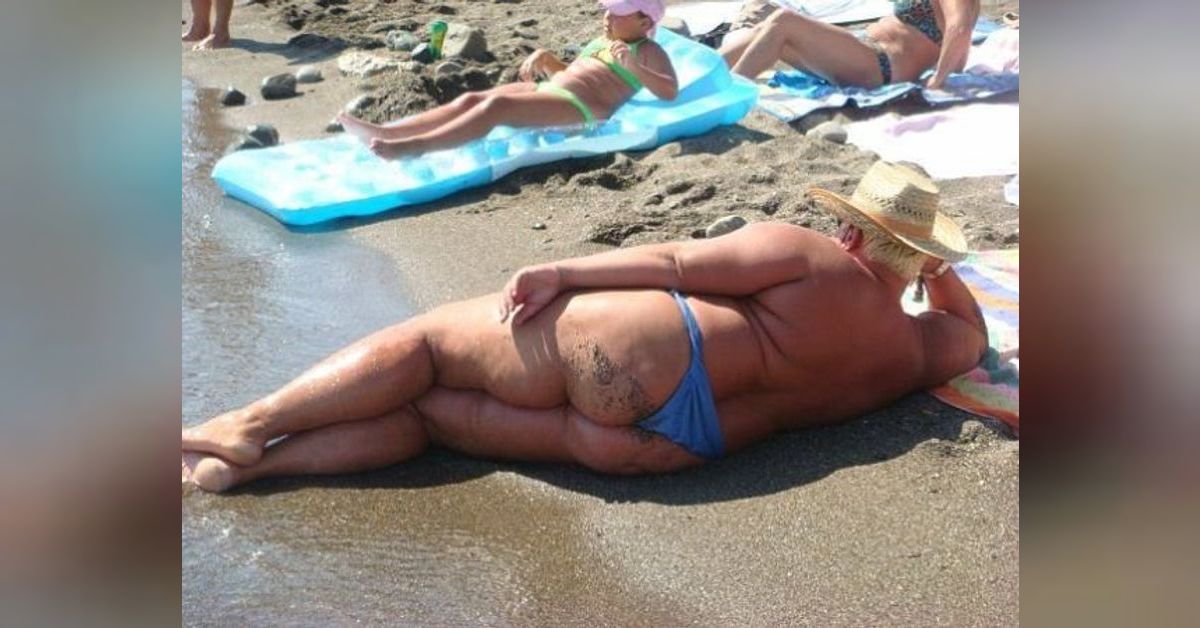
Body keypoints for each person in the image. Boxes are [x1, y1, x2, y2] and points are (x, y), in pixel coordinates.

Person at [182, 161, 987, 492]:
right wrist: (932, 271)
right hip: (665, 447)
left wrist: (564, 272)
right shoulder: (914, 350)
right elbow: (972, 330)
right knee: (426, 420)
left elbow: (677, 263)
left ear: (850, 228)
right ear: (921, 258)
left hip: (641, 352)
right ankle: (255, 472)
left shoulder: (809, 254)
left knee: (427, 348)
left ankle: (250, 427)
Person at [338, 0, 679, 160]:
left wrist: (635, 68)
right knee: (473, 99)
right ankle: (390, 132)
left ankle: (414, 147)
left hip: (582, 110)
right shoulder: (603, 41)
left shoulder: (648, 51)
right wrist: (548, 59)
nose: (607, 17)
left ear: (644, 22)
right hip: (553, 90)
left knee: (497, 107)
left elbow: (669, 90)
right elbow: (575, 73)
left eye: (618, 13)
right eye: (607, 10)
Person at [720, 0, 980, 89]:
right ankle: (704, 72)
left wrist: (939, 79)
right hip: (865, 50)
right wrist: (954, 69)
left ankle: (729, 91)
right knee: (766, 27)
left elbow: (960, 28)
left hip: (880, 63)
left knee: (783, 22)